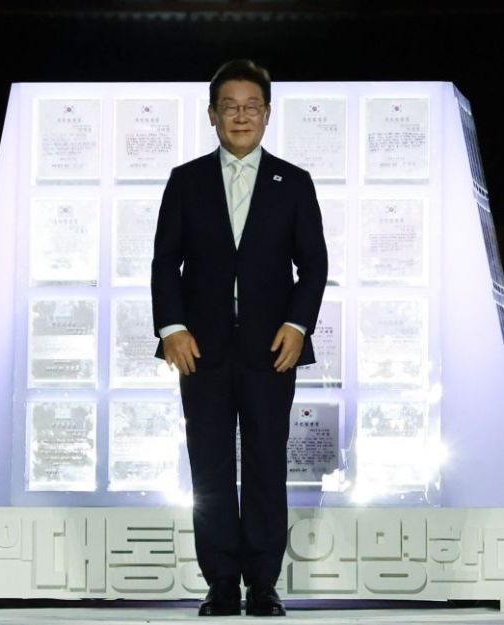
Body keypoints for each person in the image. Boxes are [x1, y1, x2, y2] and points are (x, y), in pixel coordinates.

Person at [151, 59, 328, 617]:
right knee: (208, 467)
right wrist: (172, 328)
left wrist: (297, 326)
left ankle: (264, 584)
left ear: (267, 114)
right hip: (200, 350)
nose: (241, 116)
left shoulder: (293, 182)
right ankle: (222, 583)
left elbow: (314, 266)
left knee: (266, 464)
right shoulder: (186, 180)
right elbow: (164, 262)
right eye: (230, 106)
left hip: (271, 350)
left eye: (252, 106)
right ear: (212, 114)